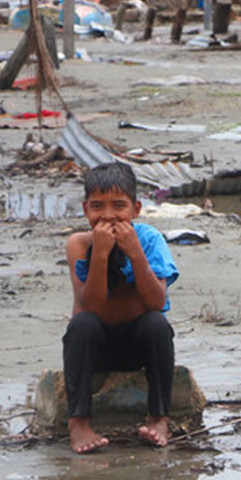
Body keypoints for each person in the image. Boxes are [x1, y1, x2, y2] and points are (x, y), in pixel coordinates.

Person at [63, 162, 179, 453]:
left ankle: (159, 417)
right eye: (98, 207)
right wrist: (101, 254)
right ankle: (78, 423)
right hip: (96, 347)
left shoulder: (150, 240)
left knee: (157, 325)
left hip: (139, 346)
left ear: (135, 209)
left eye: (119, 206)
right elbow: (90, 305)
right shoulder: (79, 244)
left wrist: (134, 251)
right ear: (86, 209)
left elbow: (156, 302)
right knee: (81, 326)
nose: (108, 216)